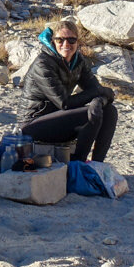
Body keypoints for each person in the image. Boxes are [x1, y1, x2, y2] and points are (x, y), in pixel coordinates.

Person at [18, 16, 118, 162]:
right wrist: (98, 95)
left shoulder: (78, 61)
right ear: (53, 41)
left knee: (110, 111)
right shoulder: (43, 64)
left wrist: (99, 101)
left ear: (77, 42)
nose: (66, 44)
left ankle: (97, 164)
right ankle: (79, 163)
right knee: (90, 113)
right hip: (33, 124)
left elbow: (95, 88)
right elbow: (64, 103)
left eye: (71, 40)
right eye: (60, 40)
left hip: (58, 117)